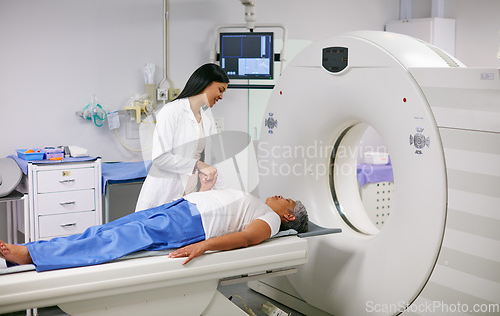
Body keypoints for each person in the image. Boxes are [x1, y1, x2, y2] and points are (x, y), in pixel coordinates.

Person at [0, 175, 308, 272]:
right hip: (183, 210)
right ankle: (33, 250)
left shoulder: (271, 220)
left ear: (289, 216)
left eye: (287, 200)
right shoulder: (259, 204)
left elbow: (245, 239)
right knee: (106, 231)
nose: (281, 196)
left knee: (113, 241)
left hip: (191, 225)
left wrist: (203, 246)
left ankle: (30, 255)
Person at [135, 63, 229, 212]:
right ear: (206, 83)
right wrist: (197, 164)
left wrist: (226, 195)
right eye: (220, 90)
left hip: (191, 194)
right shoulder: (171, 111)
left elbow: (212, 162)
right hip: (165, 194)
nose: (221, 96)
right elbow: (160, 158)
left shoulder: (206, 118)